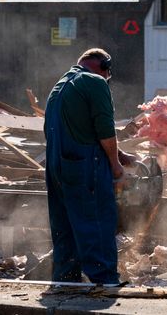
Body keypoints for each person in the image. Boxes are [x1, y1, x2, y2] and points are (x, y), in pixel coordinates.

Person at [44, 48, 133, 284]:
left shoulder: (60, 85)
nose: (107, 80)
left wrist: (121, 154)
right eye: (108, 75)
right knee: (96, 220)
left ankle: (66, 281)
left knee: (66, 226)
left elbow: (80, 128)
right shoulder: (95, 82)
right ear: (103, 66)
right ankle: (104, 280)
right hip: (83, 167)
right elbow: (104, 129)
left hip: (57, 167)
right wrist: (116, 167)